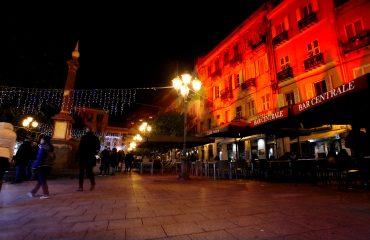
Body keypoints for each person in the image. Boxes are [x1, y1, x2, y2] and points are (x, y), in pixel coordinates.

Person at [0, 122, 17, 192]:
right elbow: (11, 148)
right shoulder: (13, 134)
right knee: (0, 177)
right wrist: (10, 159)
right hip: (4, 156)